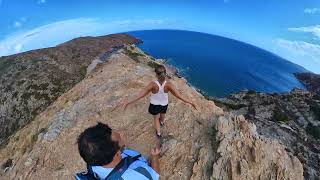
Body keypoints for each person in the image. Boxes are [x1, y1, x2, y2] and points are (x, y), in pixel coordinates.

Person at [124, 64, 197, 138]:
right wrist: (191, 102)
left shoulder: (152, 84)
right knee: (162, 115)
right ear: (165, 73)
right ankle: (162, 122)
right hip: (164, 104)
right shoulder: (169, 84)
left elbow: (140, 95)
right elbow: (179, 96)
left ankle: (158, 133)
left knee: (156, 119)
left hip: (154, 105)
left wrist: (128, 102)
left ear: (156, 74)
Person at [76, 122, 160, 180]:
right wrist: (155, 156)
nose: (121, 134)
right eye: (119, 137)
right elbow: (154, 176)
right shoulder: (136, 176)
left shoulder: (94, 160)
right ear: (117, 154)